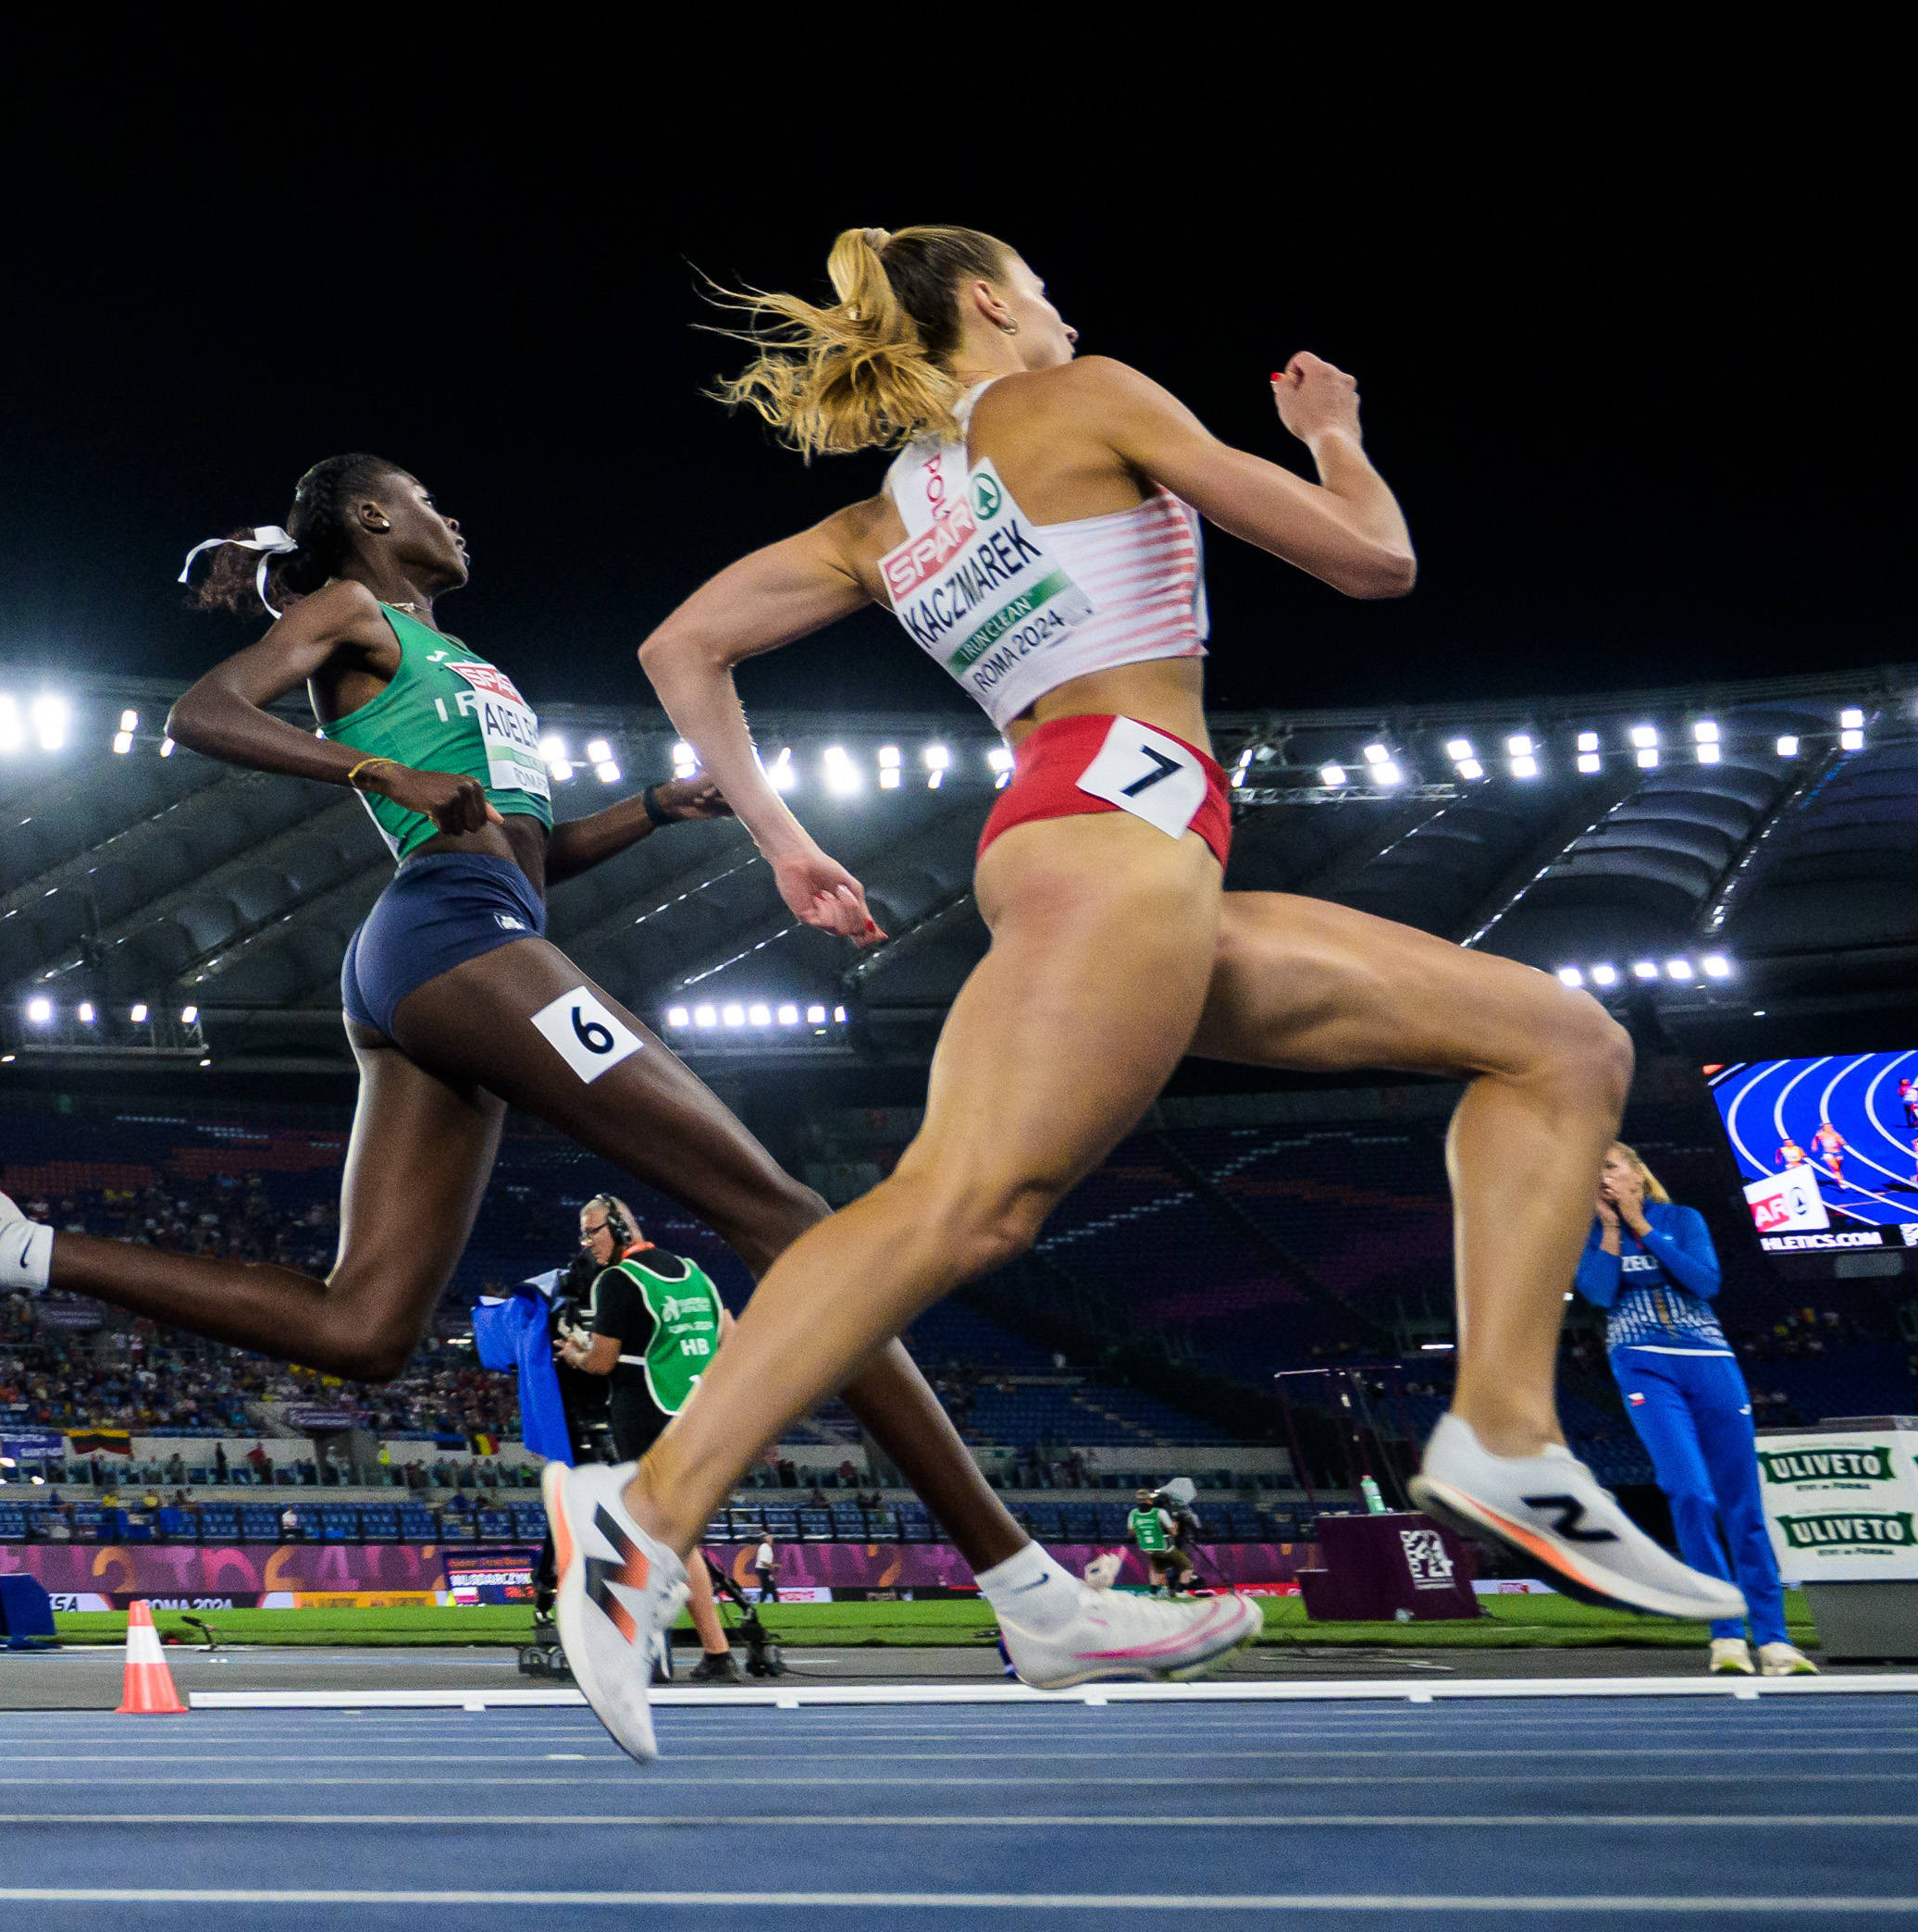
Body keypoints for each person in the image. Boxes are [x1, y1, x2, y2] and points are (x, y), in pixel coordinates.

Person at [557, 227, 1731, 1762]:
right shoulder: (1086, 393)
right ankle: (644, 1520)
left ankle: (1503, 1432)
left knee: (1560, 1043)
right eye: (1041, 288)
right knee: (964, 1203)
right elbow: (1371, 558)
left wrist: (786, 843)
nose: (1063, 308)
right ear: (992, 302)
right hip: (1118, 830)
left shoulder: (881, 518)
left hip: (1111, 838)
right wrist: (1334, 437)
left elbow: (681, 645)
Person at [0, 458, 1232, 1696]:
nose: (455, 512)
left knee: (363, 1330)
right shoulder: (353, 608)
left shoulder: (462, 661)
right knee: (791, 1218)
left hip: (457, 946)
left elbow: (521, 848)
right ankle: (1027, 1591)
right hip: (449, 938)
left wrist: (652, 810)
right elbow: (202, 713)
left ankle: (15, 1249)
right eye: (429, 496)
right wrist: (377, 768)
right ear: (372, 517)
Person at [1587, 1144, 1812, 1675]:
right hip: (1641, 1363)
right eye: (1591, 1169)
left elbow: (1705, 1282)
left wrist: (1641, 1224)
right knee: (1688, 1491)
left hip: (1710, 1361)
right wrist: (1614, 1230)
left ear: (1637, 1173)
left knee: (1743, 1505)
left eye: (1609, 1165)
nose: (1600, 1176)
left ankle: (1775, 1640)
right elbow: (1598, 1294)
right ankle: (1726, 1633)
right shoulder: (1588, 1233)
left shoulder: (1682, 1219)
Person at [549, 1198, 763, 1683]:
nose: (587, 1243)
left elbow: (602, 1362)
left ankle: (654, 1651)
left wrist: (576, 1353)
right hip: (699, 1420)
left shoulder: (617, 1281)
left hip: (645, 1419)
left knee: (650, 1537)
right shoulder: (694, 1273)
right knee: (674, 1537)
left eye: (592, 1231)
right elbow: (731, 1338)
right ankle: (713, 1652)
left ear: (620, 1226)